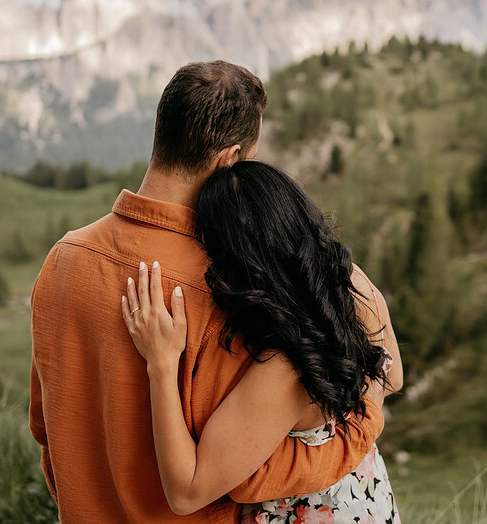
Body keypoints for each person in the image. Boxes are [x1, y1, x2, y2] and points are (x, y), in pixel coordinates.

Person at [29, 60, 389, 522]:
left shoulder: (63, 259)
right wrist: (363, 425)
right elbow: (246, 475)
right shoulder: (233, 288)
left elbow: (46, 425)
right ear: (229, 161)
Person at [121, 161, 403, 522]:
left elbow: (187, 490)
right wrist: (364, 423)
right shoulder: (352, 285)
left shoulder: (284, 368)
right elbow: (393, 378)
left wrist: (161, 364)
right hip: (368, 500)